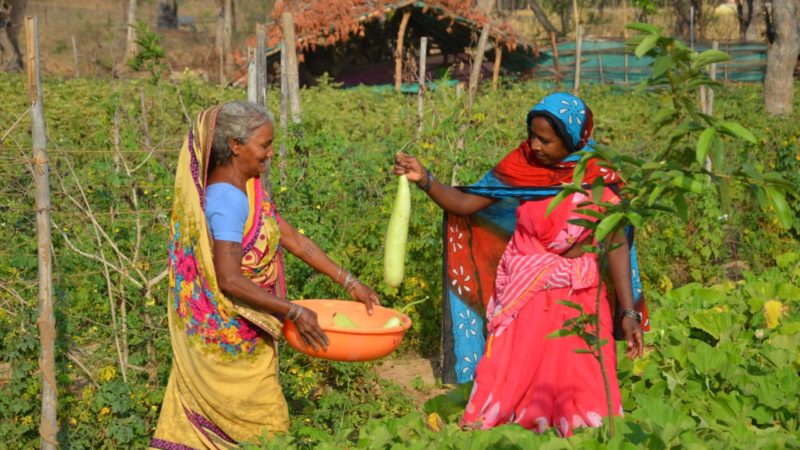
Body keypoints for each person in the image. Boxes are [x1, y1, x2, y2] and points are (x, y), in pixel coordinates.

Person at [393, 92, 646, 437]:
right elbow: (465, 203)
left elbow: (616, 243)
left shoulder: (598, 175)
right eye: (532, 135)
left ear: (572, 140)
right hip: (526, 297)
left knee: (584, 389)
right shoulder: (521, 165)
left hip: (581, 297)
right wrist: (425, 179)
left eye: (545, 139)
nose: (535, 145)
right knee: (512, 378)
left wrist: (628, 313)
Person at [151, 101, 379, 449]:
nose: (270, 154)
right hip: (228, 346)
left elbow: (297, 242)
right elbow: (228, 279)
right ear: (235, 145)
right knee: (265, 428)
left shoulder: (249, 188)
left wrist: (351, 283)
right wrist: (292, 310)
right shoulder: (227, 201)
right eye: (265, 145)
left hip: (248, 336)